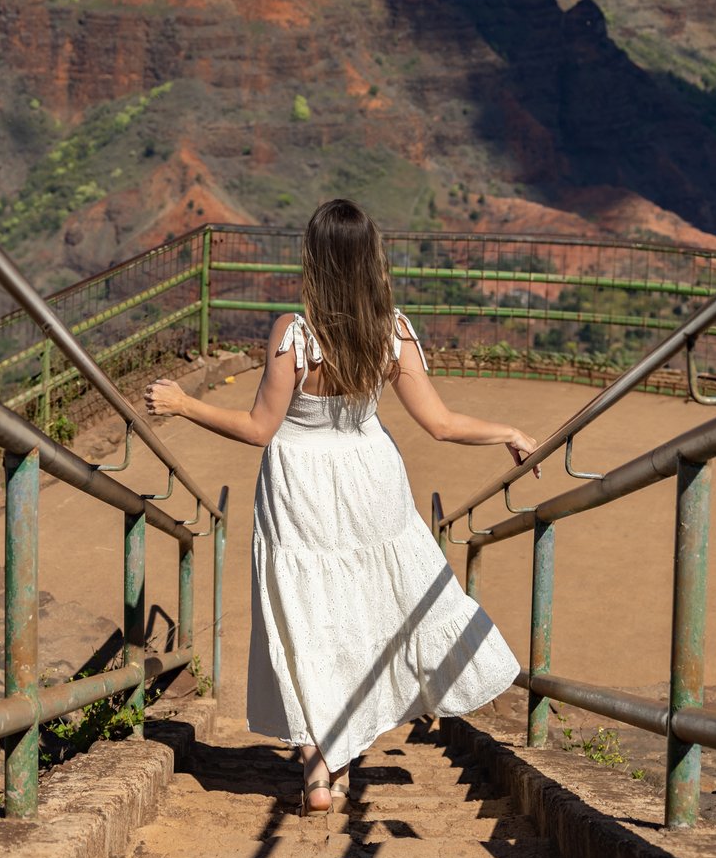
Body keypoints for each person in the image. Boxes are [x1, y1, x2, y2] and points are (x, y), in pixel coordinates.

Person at [145, 197, 540, 814]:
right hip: (370, 480)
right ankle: (344, 752)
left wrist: (183, 405)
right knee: (373, 606)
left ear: (315, 260)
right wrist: (508, 432)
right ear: (371, 259)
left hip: (299, 485)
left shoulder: (294, 335)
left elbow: (258, 428)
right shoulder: (392, 330)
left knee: (309, 617)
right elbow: (437, 423)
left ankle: (320, 770)